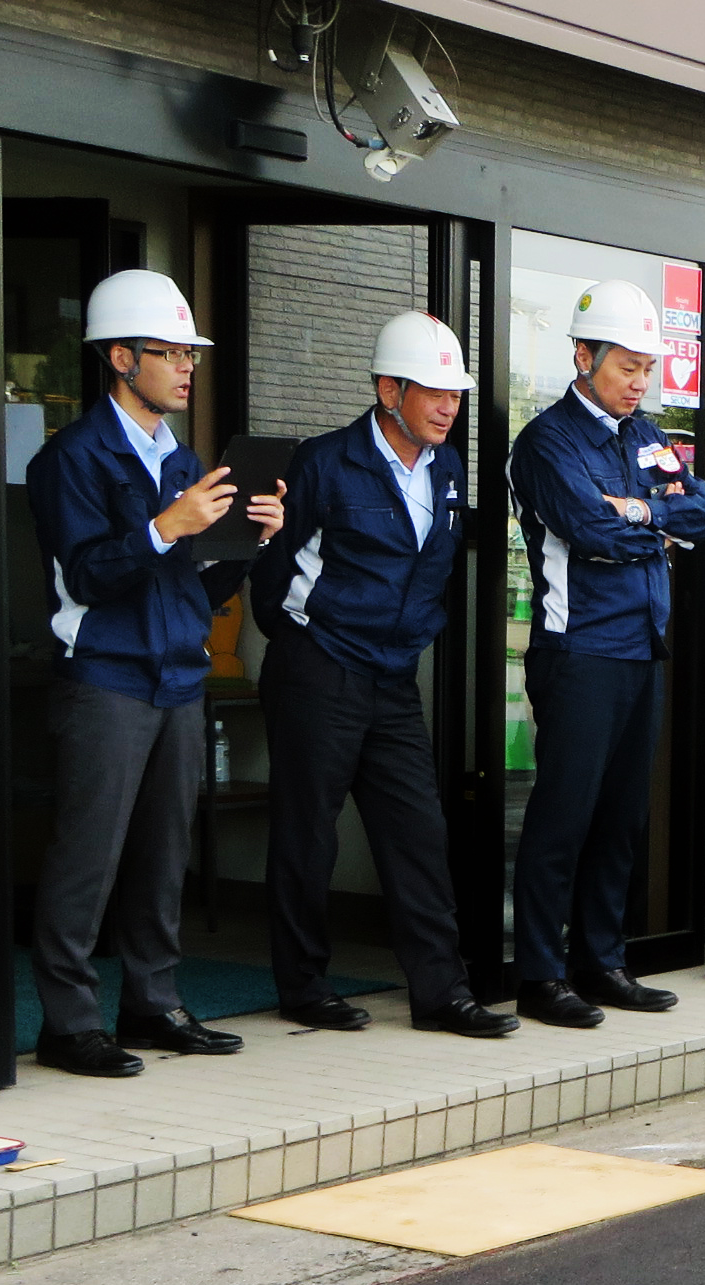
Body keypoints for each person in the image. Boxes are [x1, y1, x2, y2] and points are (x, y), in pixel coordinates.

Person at [25, 269, 283, 1078]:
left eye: (189, 353)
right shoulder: (69, 457)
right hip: (103, 676)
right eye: (168, 352)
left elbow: (195, 587)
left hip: (176, 675)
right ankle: (68, 1023)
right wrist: (165, 525)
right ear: (118, 357)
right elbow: (92, 575)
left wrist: (249, 544)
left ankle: (152, 1001)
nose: (185, 367)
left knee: (163, 853)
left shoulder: (186, 458)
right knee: (86, 858)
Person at [249, 312, 515, 1041]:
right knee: (308, 835)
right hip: (319, 666)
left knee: (418, 833)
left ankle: (442, 992)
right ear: (387, 389)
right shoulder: (324, 462)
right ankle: (303, 987)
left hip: (394, 676)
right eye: (432, 392)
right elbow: (272, 572)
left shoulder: (449, 469)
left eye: (454, 395)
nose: (447, 407)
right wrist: (308, 642)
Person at [505, 276, 705, 1029]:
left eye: (647, 368)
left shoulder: (648, 435)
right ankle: (539, 971)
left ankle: (602, 960)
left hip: (640, 647)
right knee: (564, 815)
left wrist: (639, 510)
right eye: (626, 366)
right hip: (579, 649)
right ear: (583, 355)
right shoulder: (545, 442)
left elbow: (700, 511)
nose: (639, 382)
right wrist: (645, 524)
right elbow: (588, 534)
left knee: (623, 815)